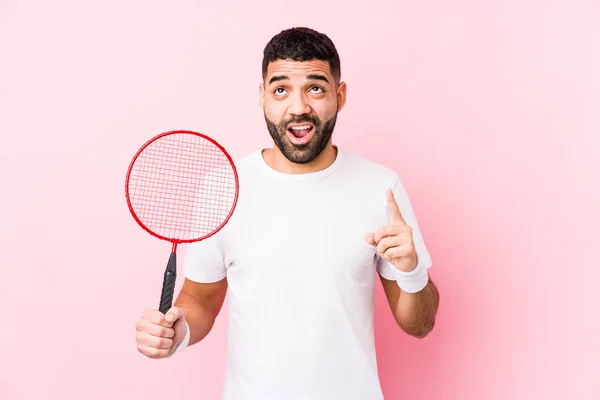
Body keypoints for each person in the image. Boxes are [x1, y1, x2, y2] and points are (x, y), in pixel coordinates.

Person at [135, 27, 440, 399]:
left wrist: (410, 271)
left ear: (339, 96)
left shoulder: (381, 187)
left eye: (315, 88)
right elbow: (200, 299)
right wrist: (178, 332)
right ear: (262, 97)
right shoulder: (224, 187)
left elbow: (420, 323)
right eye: (281, 90)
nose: (298, 107)